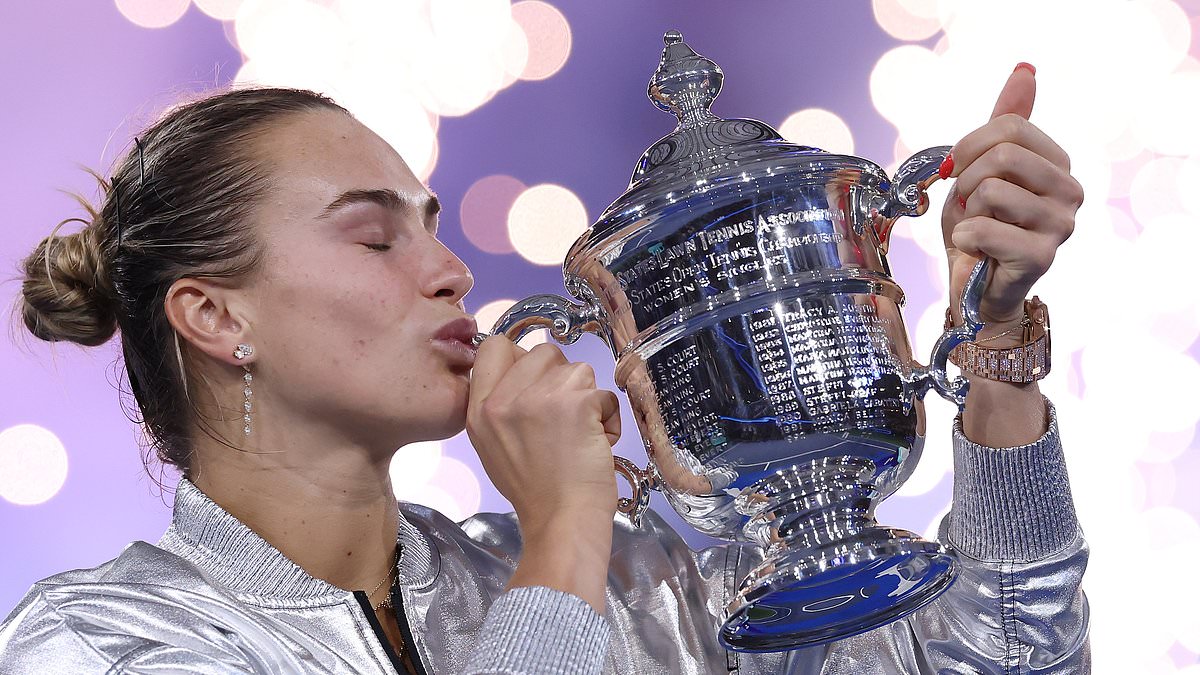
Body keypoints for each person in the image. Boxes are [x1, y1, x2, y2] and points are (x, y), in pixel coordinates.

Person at [0, 61, 1088, 674]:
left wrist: (995, 342)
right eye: (376, 238)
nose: (448, 272)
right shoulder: (93, 642)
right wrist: (564, 528)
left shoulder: (642, 582)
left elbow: (1004, 660)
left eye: (433, 229)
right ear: (212, 314)